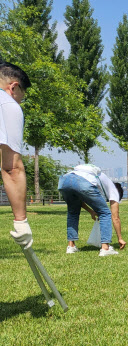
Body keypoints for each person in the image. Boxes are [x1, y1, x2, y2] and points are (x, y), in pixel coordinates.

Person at [58, 164, 126, 256]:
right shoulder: (114, 191)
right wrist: (120, 238)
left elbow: (79, 201)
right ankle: (105, 248)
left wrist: (91, 211)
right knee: (105, 213)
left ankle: (71, 247)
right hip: (82, 181)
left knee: (73, 212)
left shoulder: (100, 181)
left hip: (64, 180)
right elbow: (115, 218)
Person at [0, 62, 33, 249]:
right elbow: (11, 168)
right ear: (13, 87)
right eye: (21, 98)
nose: (19, 102)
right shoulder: (6, 103)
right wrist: (21, 222)